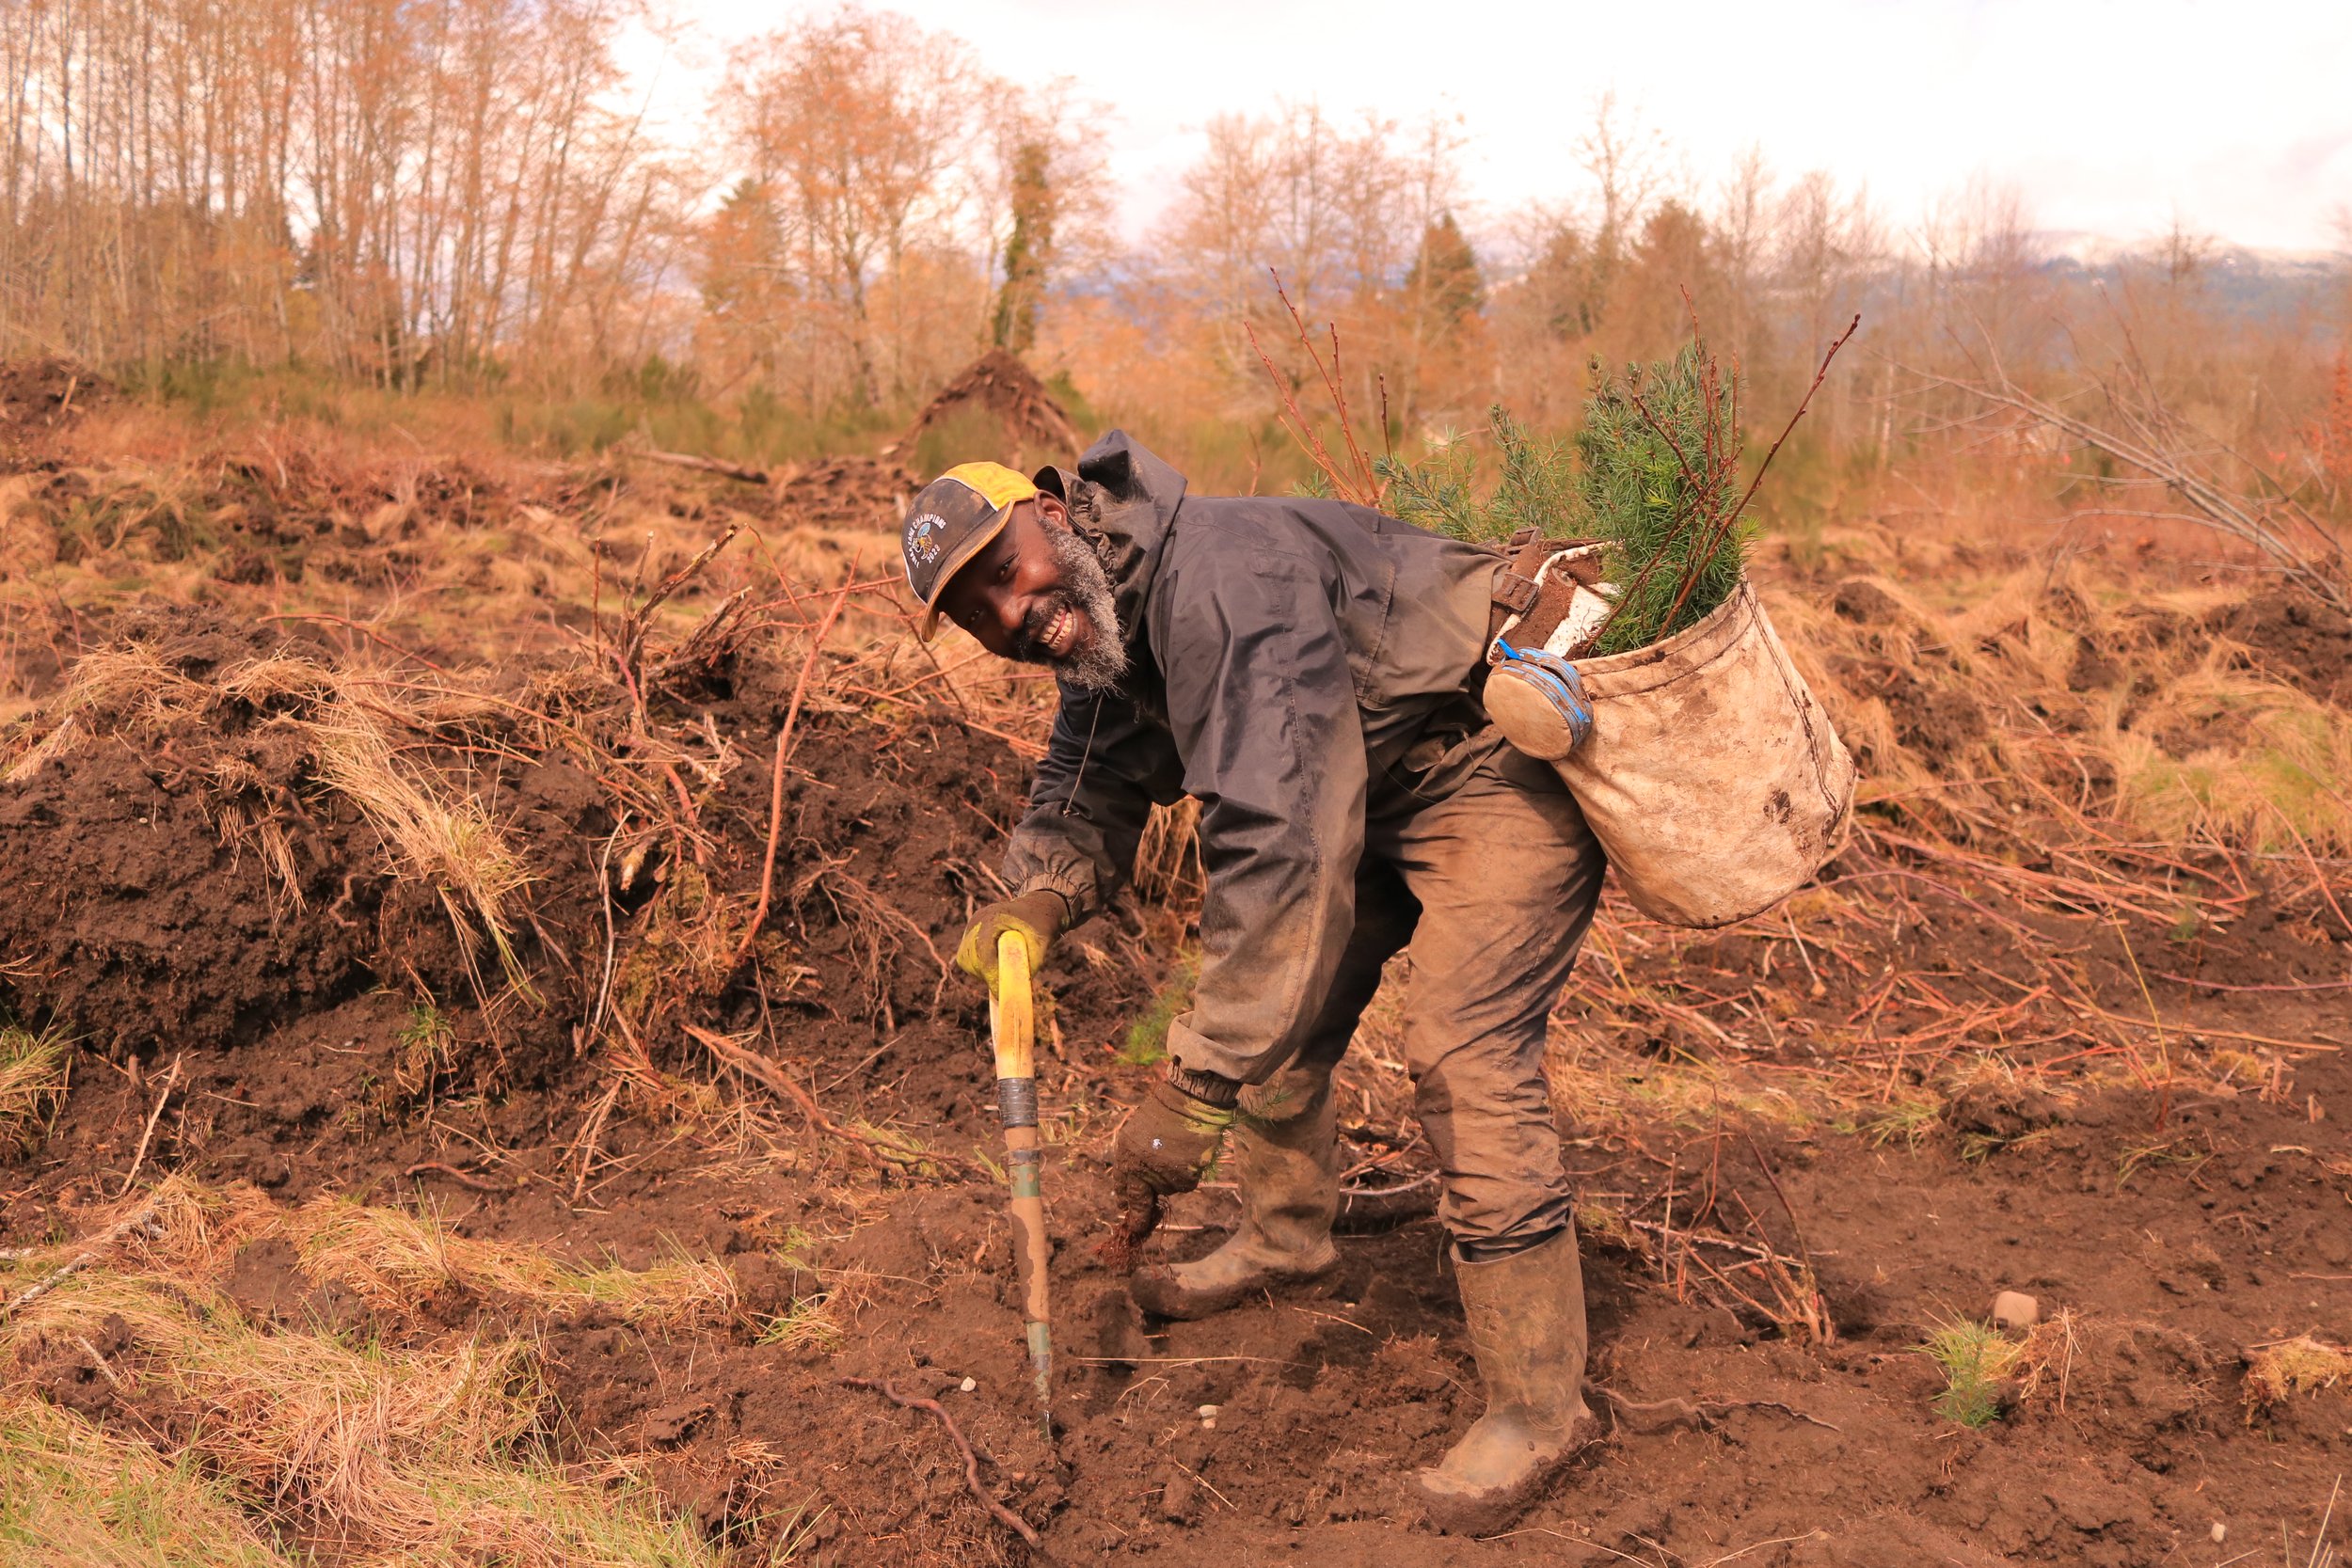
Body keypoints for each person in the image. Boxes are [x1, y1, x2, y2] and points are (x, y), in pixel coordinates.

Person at [905, 434, 1608, 1535]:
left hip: (1478, 769)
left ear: (1056, 510)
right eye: (974, 613)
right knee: (1277, 1014)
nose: (1009, 616)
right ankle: (1289, 1233)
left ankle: (1538, 1405)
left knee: (1463, 1055)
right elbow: (1086, 773)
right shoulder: (1106, 618)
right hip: (1360, 789)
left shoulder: (1223, 575)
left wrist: (1190, 1092)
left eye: (1005, 572)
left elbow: (1280, 848)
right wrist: (1038, 891)